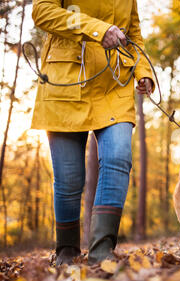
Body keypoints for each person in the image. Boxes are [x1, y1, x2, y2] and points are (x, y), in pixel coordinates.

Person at [30, 0, 155, 265]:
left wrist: (143, 72)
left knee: (118, 158)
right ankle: (66, 251)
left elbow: (133, 34)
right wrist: (98, 29)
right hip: (66, 79)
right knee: (69, 179)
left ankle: (101, 251)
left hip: (114, 83)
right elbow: (42, 12)